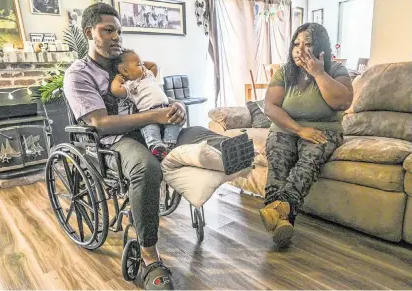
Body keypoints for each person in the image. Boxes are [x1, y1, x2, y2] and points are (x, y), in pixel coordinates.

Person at [63, 3, 229, 289]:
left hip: (154, 131)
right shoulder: (79, 74)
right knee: (147, 166)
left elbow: (155, 96)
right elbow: (100, 123)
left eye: (118, 31)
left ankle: (229, 156)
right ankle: (149, 257)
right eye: (108, 30)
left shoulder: (130, 63)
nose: (116, 36)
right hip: (113, 142)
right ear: (90, 32)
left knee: (201, 133)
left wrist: (173, 106)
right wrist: (154, 116)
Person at [259, 23, 353, 247]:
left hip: (324, 130)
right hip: (286, 128)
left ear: (321, 48)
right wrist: (299, 129)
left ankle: (277, 213)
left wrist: (318, 72)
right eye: (296, 43)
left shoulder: (336, 70)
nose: (300, 49)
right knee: (278, 163)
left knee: (307, 162)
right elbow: (270, 107)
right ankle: (282, 220)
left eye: (307, 44)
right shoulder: (285, 72)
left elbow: (342, 102)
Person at [110, 49, 181, 160]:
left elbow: (153, 65)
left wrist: (141, 63)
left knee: (175, 122)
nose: (143, 66)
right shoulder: (131, 86)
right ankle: (156, 146)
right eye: (138, 64)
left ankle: (169, 144)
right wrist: (117, 79)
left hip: (166, 109)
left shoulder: (148, 75)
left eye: (142, 63)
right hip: (148, 115)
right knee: (150, 129)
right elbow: (115, 90)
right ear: (124, 70)